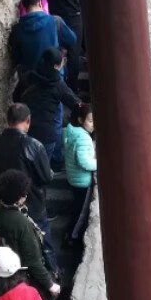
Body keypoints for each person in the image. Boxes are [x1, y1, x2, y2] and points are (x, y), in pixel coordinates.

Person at [0, 169, 60, 299]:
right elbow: (33, 261)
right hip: (16, 284)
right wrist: (50, 285)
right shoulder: (21, 222)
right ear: (20, 197)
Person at [15, 47, 81, 172]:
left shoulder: (28, 77)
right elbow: (75, 103)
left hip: (25, 128)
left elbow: (15, 97)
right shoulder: (58, 85)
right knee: (42, 170)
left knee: (27, 168)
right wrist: (74, 121)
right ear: (57, 66)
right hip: (46, 134)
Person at [8, 0, 77, 77]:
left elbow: (16, 56)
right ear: (40, 3)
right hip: (53, 78)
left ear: (25, 8)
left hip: (29, 80)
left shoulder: (17, 29)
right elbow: (72, 40)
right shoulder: (55, 21)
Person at [62, 104, 96, 245]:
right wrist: (99, 163)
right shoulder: (83, 138)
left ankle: (69, 233)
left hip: (73, 178)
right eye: (90, 121)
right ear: (81, 120)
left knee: (76, 208)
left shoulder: (71, 132)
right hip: (81, 181)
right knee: (80, 212)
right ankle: (71, 238)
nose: (93, 125)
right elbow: (85, 163)